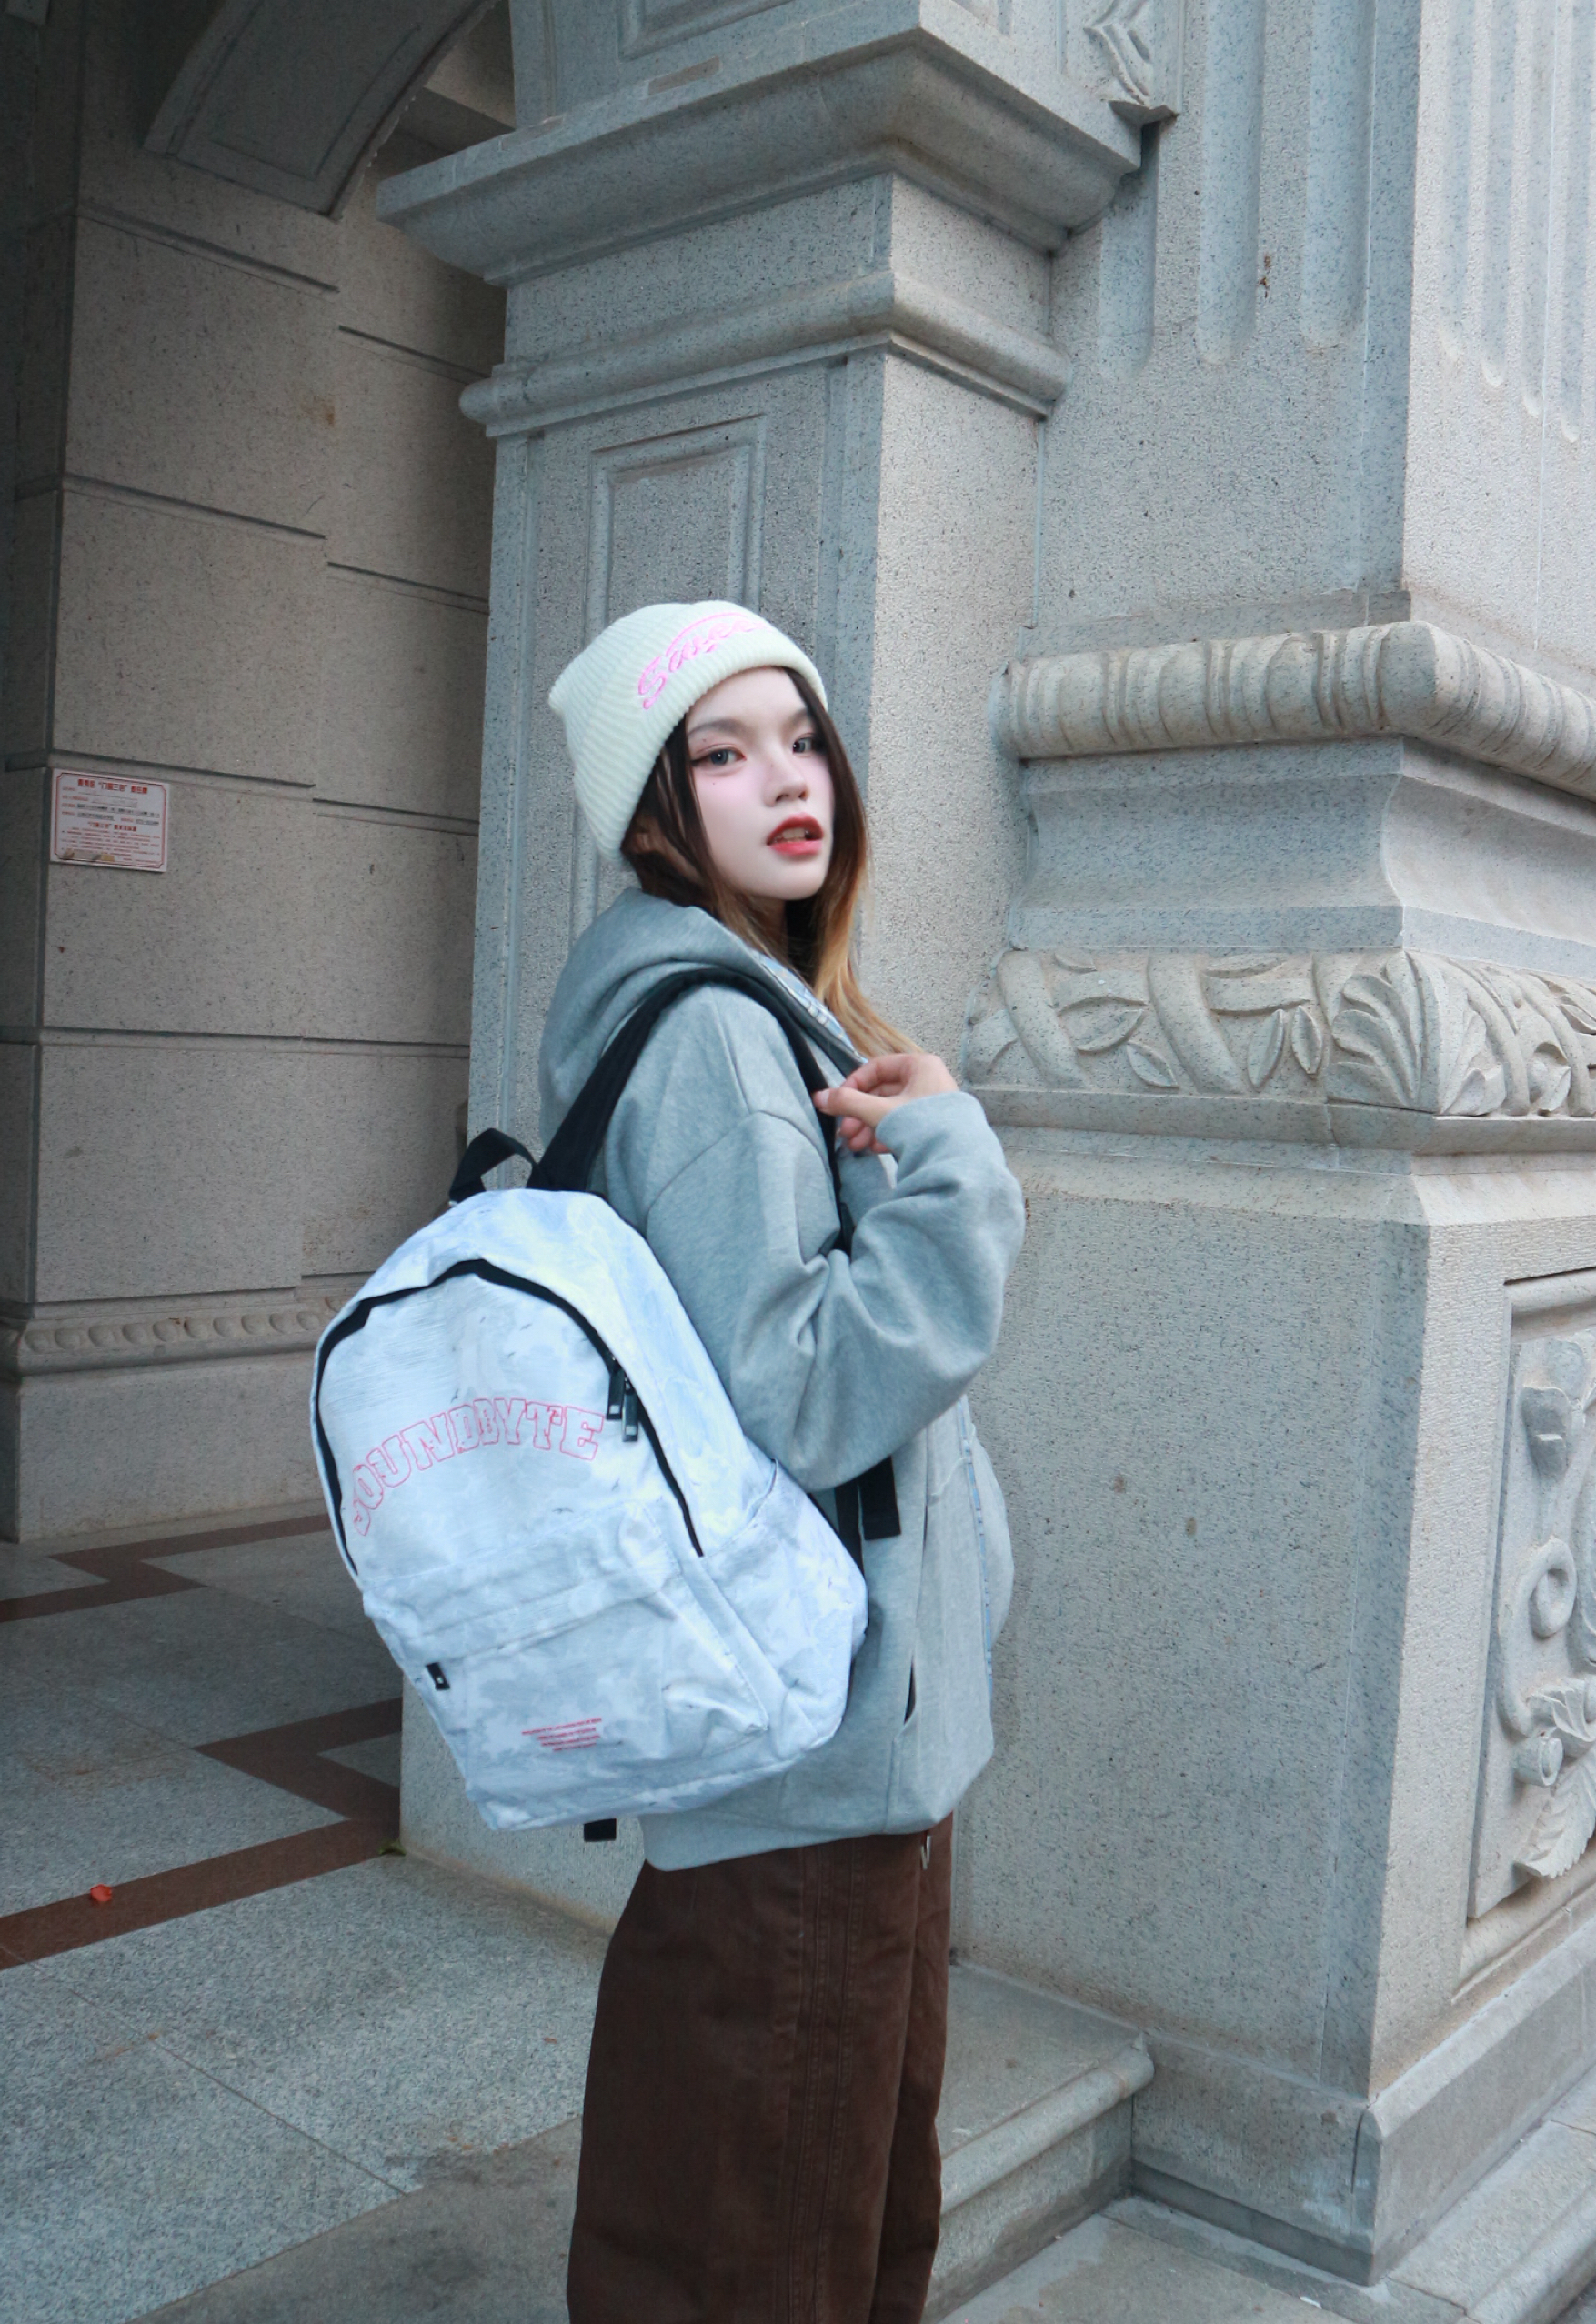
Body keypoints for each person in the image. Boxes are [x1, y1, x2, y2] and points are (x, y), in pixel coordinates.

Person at [543, 601, 1025, 2324]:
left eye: (801, 738)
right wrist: (954, 1158)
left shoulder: (748, 1009)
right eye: (723, 753)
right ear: (652, 805)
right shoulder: (713, 1039)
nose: (787, 780)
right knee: (769, 2232)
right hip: (811, 1750)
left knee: (824, 2203)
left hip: (840, 1731)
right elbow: (805, 1391)